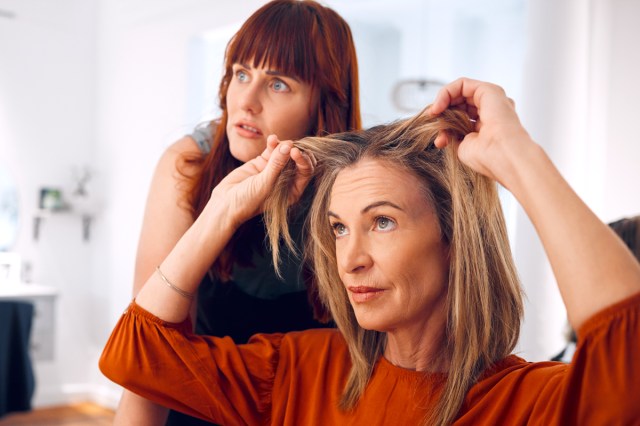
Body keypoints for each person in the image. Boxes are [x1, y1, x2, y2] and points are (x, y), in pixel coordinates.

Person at [100, 78, 640, 425]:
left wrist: (515, 155)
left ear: (455, 241)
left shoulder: (529, 403)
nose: (349, 258)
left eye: (382, 221)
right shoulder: (300, 370)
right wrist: (220, 210)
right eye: (338, 228)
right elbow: (134, 352)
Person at [114, 1, 361, 425]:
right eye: (241, 74)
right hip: (199, 394)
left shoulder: (354, 181)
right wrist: (222, 212)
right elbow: (150, 351)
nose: (245, 102)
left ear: (323, 105)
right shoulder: (188, 164)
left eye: (278, 84)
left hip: (313, 401)